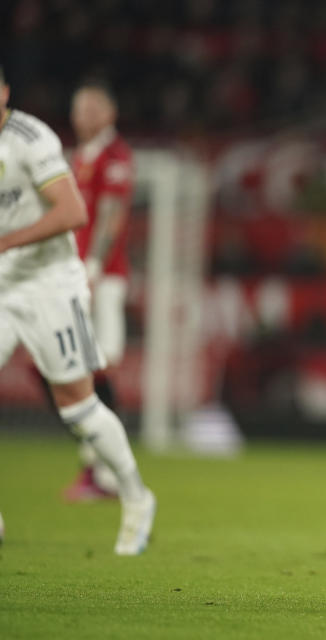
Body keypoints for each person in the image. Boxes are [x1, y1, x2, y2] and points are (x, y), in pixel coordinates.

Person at [0, 66, 155, 554]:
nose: (83, 115)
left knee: (82, 401)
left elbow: (75, 214)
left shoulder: (33, 139)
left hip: (54, 282)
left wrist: (8, 242)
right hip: (5, 285)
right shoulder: (80, 153)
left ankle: (132, 493)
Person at [62, 79, 135, 502]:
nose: (82, 116)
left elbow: (112, 214)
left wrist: (93, 264)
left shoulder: (115, 156)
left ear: (109, 114)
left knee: (98, 367)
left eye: (91, 109)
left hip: (102, 279)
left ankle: (106, 471)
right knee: (80, 371)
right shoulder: (78, 157)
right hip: (74, 277)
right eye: (78, 108)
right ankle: (97, 469)